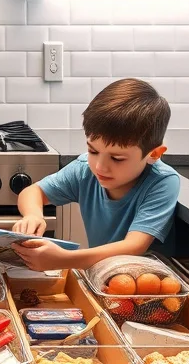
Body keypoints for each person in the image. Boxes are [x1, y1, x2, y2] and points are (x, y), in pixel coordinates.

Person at [11, 78, 179, 271]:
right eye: (93, 151)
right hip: (101, 276)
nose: (100, 166)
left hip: (147, 281)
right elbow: (33, 192)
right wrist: (33, 216)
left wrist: (64, 259)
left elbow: (134, 246)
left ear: (154, 154)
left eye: (116, 158)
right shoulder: (84, 169)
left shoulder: (162, 182)